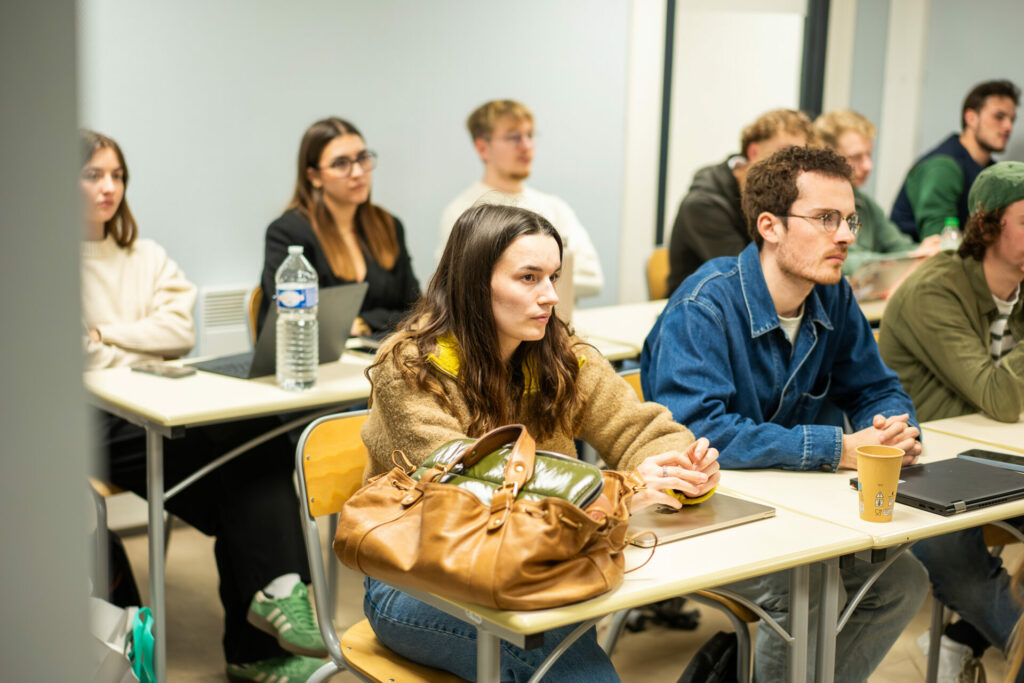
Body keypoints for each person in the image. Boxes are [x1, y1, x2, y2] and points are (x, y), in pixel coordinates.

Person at [361, 203, 720, 681]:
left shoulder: (561, 354)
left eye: (553, 277)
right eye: (528, 278)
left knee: (563, 645)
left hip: (538, 564)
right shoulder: (410, 367)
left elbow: (637, 429)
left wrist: (681, 466)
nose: (550, 296)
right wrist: (613, 494)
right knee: (568, 666)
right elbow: (467, 486)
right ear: (473, 284)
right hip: (415, 577)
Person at [641, 145, 928, 682]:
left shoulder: (832, 296)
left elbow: (875, 386)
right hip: (704, 512)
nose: (845, 236)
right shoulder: (703, 306)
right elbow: (701, 433)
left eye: (849, 220)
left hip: (792, 506)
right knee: (806, 592)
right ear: (770, 226)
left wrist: (895, 428)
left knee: (902, 583)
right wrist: (838, 448)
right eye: (825, 218)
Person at [80, 130, 327, 682]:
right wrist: (133, 342)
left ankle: (276, 601)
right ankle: (259, 641)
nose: (109, 187)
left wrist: (104, 334)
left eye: (117, 175)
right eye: (93, 175)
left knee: (253, 438)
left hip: (155, 400)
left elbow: (179, 331)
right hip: (92, 417)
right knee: (241, 490)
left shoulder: (145, 255)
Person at [880, 161, 1024, 682]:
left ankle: (962, 638)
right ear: (988, 226)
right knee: (962, 570)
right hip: (919, 470)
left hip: (994, 455)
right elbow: (1000, 397)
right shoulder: (935, 289)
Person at [259, 117, 420, 337]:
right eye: (341, 164)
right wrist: (377, 321)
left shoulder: (388, 225)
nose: (357, 172)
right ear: (314, 176)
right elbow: (291, 316)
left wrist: (363, 322)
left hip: (383, 351)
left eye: (362, 158)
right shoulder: (288, 233)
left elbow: (414, 310)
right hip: (318, 355)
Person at [438, 99, 603, 299]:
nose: (526, 146)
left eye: (530, 135)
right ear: (482, 148)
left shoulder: (555, 208)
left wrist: (523, 277)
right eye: (514, 137)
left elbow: (592, 277)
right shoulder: (462, 212)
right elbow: (460, 284)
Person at [666, 108, 813, 293]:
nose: (793, 165)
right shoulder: (703, 205)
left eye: (800, 157)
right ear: (753, 152)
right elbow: (746, 276)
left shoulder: (777, 195)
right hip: (701, 304)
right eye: (785, 153)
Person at [814, 109, 942, 274]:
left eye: (869, 155)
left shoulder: (865, 204)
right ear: (827, 156)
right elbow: (844, 260)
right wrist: (911, 256)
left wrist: (926, 251)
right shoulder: (814, 205)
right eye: (856, 157)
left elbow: (899, 245)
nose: (868, 166)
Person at [891, 79, 1019, 240]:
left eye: (1012, 120)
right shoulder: (942, 167)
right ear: (971, 118)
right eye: (999, 117)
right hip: (917, 254)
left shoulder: (993, 172)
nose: (1008, 127)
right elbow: (939, 241)